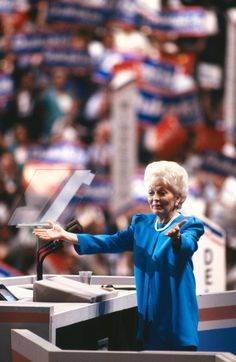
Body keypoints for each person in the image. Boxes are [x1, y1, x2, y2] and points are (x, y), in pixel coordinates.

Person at [32, 160, 204, 351]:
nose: (155, 198)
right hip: (147, 324)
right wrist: (67, 236)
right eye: (151, 192)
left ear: (178, 197)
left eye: (162, 192)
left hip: (175, 324)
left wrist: (176, 240)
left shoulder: (189, 224)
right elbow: (110, 241)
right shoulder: (141, 225)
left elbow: (188, 244)